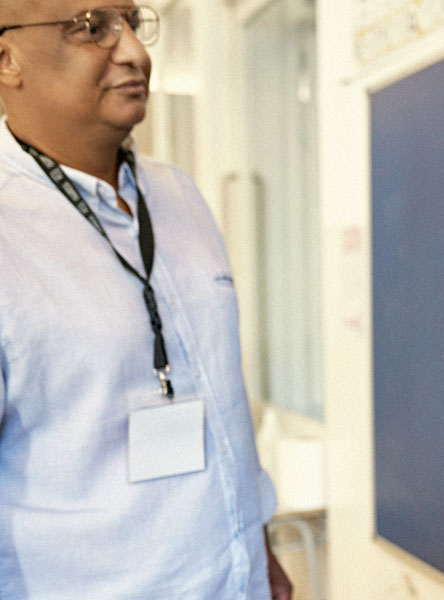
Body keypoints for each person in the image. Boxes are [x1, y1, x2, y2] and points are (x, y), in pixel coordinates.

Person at [0, 3, 292, 598]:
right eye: (91, 26)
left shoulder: (178, 193)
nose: (135, 52)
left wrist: (259, 552)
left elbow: (220, 394)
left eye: (134, 21)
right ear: (7, 58)